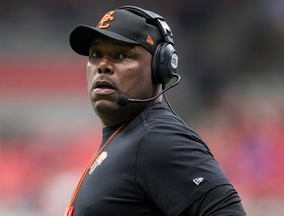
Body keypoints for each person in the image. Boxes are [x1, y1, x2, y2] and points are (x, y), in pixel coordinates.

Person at [65, 5, 246, 216]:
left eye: (123, 55)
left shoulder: (157, 137)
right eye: (95, 54)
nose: (103, 65)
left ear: (160, 68)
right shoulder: (129, 137)